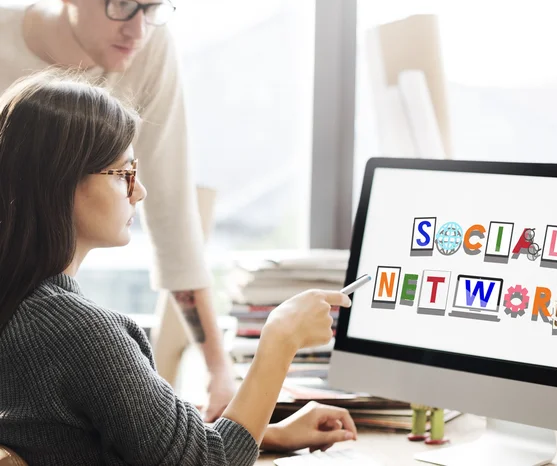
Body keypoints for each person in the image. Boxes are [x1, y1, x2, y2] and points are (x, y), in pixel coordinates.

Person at [0, 70, 357, 465]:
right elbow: (208, 462)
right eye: (124, 174)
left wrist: (265, 434)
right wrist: (281, 339)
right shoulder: (79, 333)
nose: (140, 191)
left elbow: (97, 440)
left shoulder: (22, 309)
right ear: (61, 183)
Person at [0, 0, 236, 420]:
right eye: (121, 6)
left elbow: (170, 210)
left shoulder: (150, 46)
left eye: (153, 9)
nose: (138, 30)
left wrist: (218, 369)